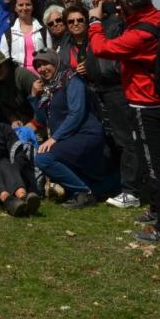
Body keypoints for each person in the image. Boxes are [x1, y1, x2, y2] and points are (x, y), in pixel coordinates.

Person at [89, 0, 160, 245]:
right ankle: (157, 209)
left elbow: (101, 48)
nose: (116, 6)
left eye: (120, 2)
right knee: (153, 161)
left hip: (147, 104)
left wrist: (95, 21)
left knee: (155, 168)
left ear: (128, 3)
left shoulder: (140, 34)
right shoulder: (159, 18)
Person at [85, 0, 143, 210]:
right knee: (111, 139)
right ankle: (117, 184)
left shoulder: (119, 19)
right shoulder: (96, 20)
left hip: (117, 87)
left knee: (126, 138)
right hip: (98, 88)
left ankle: (132, 190)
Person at [30, 49, 116, 208]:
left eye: (45, 63)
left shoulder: (71, 79)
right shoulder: (50, 88)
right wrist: (34, 96)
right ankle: (90, 191)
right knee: (94, 182)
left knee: (43, 158)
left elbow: (76, 114)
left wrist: (54, 138)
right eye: (38, 66)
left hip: (86, 134)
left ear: (55, 62)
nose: (42, 69)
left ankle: (84, 193)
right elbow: (42, 119)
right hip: (69, 138)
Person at [0, 50, 38, 128]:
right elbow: (5, 107)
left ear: (6, 64)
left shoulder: (22, 75)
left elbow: (42, 102)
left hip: (41, 119)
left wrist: (34, 123)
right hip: (22, 120)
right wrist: (13, 119)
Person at [0, 0, 49, 73]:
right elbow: (5, 61)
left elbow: (50, 56)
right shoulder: (7, 35)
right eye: (20, 5)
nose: (24, 8)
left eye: (28, 5)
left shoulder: (43, 30)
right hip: (18, 77)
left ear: (33, 7)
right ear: (15, 8)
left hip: (41, 75)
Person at [55, 5, 90, 76]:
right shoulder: (63, 46)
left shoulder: (96, 39)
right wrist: (74, 72)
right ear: (67, 25)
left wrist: (91, 66)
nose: (75, 23)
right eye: (71, 21)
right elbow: (60, 72)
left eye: (80, 20)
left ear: (86, 22)